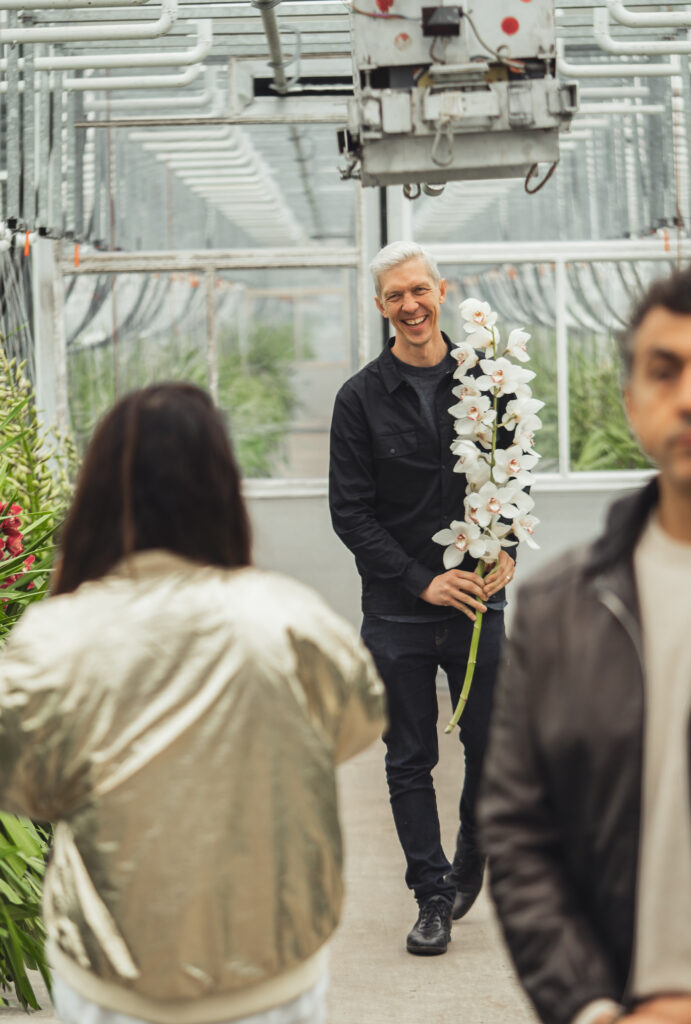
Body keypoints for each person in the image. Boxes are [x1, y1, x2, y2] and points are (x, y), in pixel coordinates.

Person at [0, 382, 386, 1024]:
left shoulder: (55, 635)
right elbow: (356, 726)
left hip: (112, 984)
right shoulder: (291, 619)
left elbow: (23, 784)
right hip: (273, 976)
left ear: (96, 489)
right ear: (223, 488)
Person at [479, 268, 691, 1024]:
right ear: (631, 402)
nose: (687, 398)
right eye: (664, 372)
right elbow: (516, 828)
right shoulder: (557, 610)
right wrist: (589, 1008)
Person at [328, 241, 516, 956]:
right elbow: (351, 512)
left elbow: (507, 483)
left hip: (475, 603)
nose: (409, 305)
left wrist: (506, 550)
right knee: (408, 756)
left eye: (418, 290)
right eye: (393, 296)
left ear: (440, 291)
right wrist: (419, 578)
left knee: (487, 747)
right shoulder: (359, 399)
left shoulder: (488, 382)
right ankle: (431, 894)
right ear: (380, 307)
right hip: (398, 612)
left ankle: (472, 849)